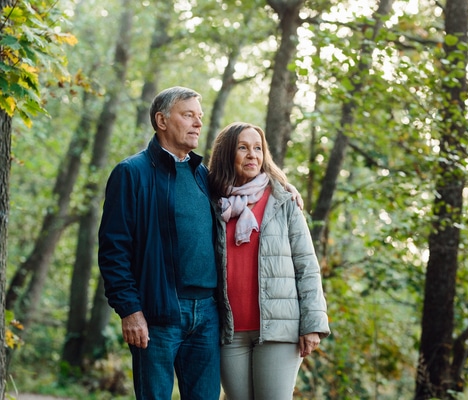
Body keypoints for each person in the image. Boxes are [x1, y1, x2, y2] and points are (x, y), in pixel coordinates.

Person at [98, 86, 221, 399]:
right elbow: (114, 250)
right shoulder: (131, 173)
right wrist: (129, 310)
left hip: (207, 313)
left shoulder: (201, 174)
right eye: (188, 115)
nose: (197, 123)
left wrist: (287, 189)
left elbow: (251, 182)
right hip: (158, 312)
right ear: (162, 121)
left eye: (200, 117)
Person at [208, 122, 331, 400]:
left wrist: (312, 324)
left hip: (278, 330)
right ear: (227, 154)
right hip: (229, 332)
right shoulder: (213, 203)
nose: (252, 155)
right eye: (243, 147)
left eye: (258, 148)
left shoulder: (283, 200)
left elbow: (306, 264)